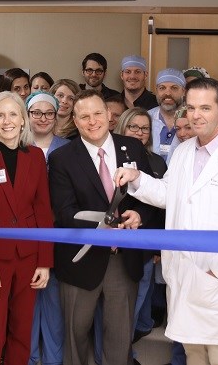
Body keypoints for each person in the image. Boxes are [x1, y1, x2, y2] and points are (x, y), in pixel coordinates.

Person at [115, 77, 218, 365]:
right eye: (192, 108)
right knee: (193, 354)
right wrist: (138, 180)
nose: (196, 115)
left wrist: (216, 272)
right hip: (184, 274)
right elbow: (168, 194)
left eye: (205, 108)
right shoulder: (184, 151)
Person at [48, 90, 153, 365]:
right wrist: (101, 226)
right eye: (84, 116)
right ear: (74, 120)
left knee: (119, 338)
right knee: (75, 334)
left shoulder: (134, 147)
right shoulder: (62, 158)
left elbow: (152, 196)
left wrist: (139, 215)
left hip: (123, 257)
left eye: (97, 113)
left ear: (109, 116)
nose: (92, 121)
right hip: (81, 258)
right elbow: (63, 212)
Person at [0, 91, 53, 365]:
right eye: (0, 115)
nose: (7, 121)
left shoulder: (36, 156)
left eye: (13, 114)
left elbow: (43, 211)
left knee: (22, 332)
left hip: (28, 258)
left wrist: (44, 261)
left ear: (24, 120)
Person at [114, 107, 170, 363]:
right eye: (133, 127)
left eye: (144, 128)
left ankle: (128, 347)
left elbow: (162, 204)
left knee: (138, 301)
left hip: (146, 242)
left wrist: (158, 248)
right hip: (115, 242)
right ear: (122, 127)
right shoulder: (109, 157)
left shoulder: (158, 162)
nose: (139, 132)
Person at [25, 91, 68, 365]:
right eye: (36, 113)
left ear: (56, 116)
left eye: (48, 113)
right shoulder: (15, 147)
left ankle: (53, 359)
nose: (42, 118)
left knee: (54, 308)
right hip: (25, 237)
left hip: (59, 237)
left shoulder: (68, 148)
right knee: (25, 307)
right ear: (27, 116)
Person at [148, 68, 186, 162]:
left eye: (174, 88)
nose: (168, 93)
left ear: (184, 91)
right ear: (156, 91)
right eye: (162, 88)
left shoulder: (193, 119)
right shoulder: (146, 118)